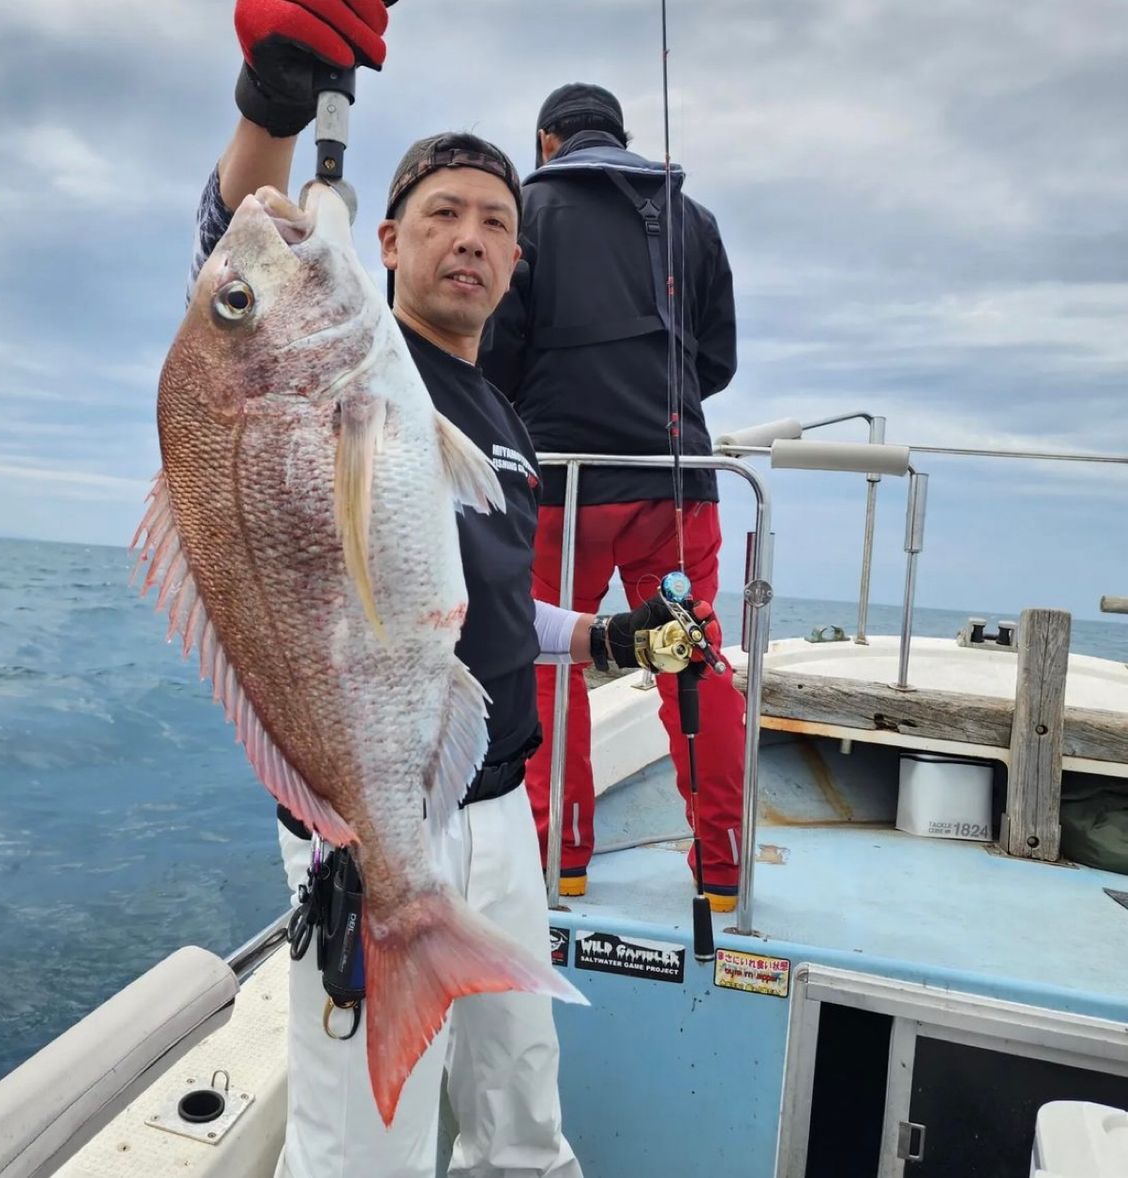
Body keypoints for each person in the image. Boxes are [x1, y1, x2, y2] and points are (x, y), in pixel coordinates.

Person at [186, 9, 725, 1177]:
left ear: (518, 260)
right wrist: (275, 101)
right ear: (384, 241)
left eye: (496, 222)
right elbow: (237, 264)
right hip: (370, 825)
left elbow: (484, 613)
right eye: (443, 215)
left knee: (522, 1118)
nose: (471, 240)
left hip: (498, 816)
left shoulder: (504, 422)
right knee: (363, 1151)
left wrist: (612, 637)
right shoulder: (354, 360)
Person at [482, 83, 747, 912]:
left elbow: (492, 356)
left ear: (546, 142)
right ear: (621, 138)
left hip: (558, 488)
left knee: (548, 664)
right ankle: (722, 869)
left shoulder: (521, 212)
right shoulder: (692, 219)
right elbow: (717, 364)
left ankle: (559, 861)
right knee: (689, 658)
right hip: (676, 489)